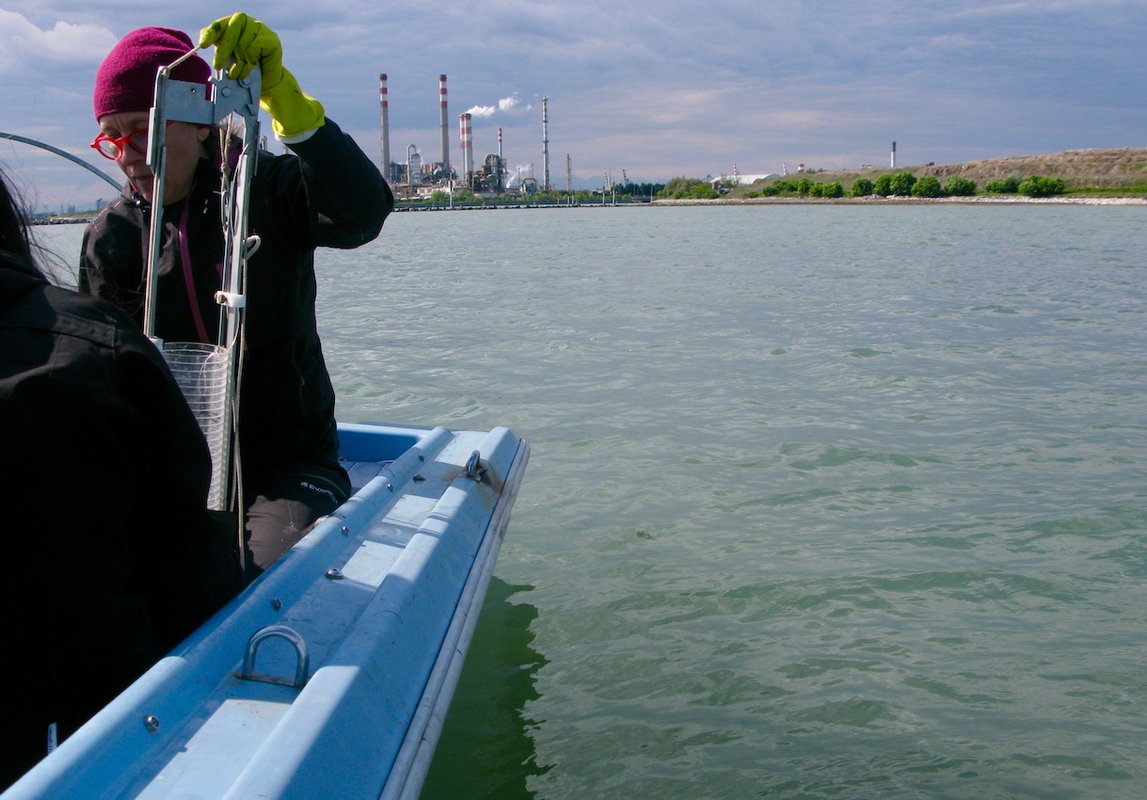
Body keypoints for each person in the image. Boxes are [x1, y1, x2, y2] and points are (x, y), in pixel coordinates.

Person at [79, 15, 394, 576]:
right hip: (171, 470)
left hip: (288, 466)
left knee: (249, 578)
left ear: (201, 122)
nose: (129, 154)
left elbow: (362, 212)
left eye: (144, 129)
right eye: (113, 137)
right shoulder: (113, 236)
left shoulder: (265, 189)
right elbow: (104, 379)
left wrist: (287, 104)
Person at [0, 169, 244, 789]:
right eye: (113, 137)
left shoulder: (96, 341)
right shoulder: (97, 341)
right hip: (87, 729)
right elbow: (187, 558)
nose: (132, 154)